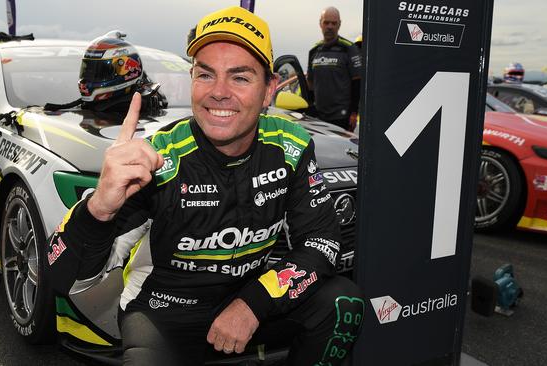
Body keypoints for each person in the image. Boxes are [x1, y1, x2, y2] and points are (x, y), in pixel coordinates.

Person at [45, 6, 364, 366]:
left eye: (240, 78)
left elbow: (321, 243)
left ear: (269, 90)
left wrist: (253, 304)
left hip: (250, 302)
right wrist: (98, 208)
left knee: (342, 302)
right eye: (206, 75)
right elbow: (62, 277)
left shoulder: (291, 145)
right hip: (164, 317)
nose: (219, 93)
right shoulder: (159, 157)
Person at [45, 30, 166, 115]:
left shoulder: (134, 110)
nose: (88, 78)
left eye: (100, 71)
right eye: (89, 70)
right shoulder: (95, 107)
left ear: (126, 72)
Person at [307, 7, 362, 132]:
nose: (330, 26)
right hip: (318, 118)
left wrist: (354, 113)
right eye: (326, 22)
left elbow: (357, 83)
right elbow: (310, 84)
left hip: (342, 118)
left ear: (339, 24)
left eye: (334, 23)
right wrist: (310, 108)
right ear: (320, 23)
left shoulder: (349, 49)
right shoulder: (314, 51)